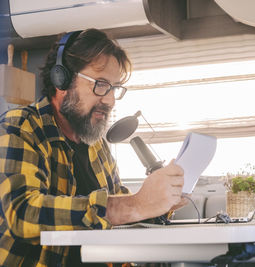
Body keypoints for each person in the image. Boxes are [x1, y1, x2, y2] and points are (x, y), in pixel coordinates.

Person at [0, 28, 187, 266]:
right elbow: (23, 214)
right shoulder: (20, 127)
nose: (109, 100)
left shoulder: (96, 143)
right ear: (62, 79)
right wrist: (135, 204)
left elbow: (119, 205)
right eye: (101, 84)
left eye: (114, 88)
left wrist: (160, 203)